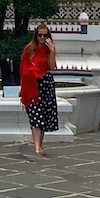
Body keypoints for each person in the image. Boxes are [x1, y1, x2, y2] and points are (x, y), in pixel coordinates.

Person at [19, 23, 59, 156]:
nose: (42, 38)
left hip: (45, 84)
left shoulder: (49, 50)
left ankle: (40, 145)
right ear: (36, 35)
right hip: (32, 85)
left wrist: (52, 51)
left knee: (44, 117)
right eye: (40, 35)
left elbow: (52, 67)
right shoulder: (29, 49)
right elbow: (23, 68)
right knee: (36, 116)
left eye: (45, 35)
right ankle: (36, 147)